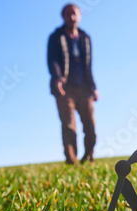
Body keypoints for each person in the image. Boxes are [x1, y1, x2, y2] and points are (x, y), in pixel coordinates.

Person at [47, 3, 99, 164]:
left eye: (74, 13)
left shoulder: (85, 37)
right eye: (68, 14)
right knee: (69, 127)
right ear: (63, 17)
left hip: (84, 88)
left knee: (90, 126)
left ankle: (88, 157)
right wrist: (57, 78)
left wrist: (93, 87)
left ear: (80, 15)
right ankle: (72, 161)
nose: (72, 17)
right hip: (65, 89)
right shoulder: (56, 37)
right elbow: (52, 60)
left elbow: (88, 65)